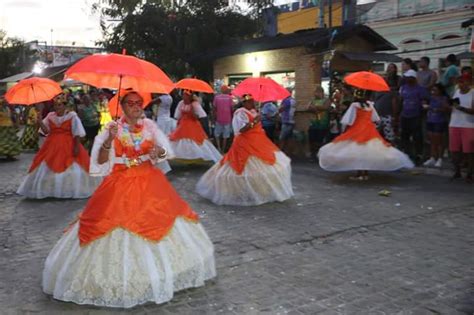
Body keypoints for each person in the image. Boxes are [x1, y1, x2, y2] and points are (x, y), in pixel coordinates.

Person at [42, 91, 216, 308]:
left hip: (149, 181)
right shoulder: (113, 128)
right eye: (130, 103)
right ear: (122, 106)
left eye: (138, 103)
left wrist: (157, 152)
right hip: (120, 180)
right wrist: (109, 140)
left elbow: (164, 155)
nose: (135, 107)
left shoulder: (150, 127)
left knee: (160, 218)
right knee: (110, 221)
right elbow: (101, 160)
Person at [196, 94, 294, 206]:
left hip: (258, 142)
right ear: (244, 103)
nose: (252, 103)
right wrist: (255, 121)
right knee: (242, 166)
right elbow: (241, 129)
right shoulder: (240, 113)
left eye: (253, 101)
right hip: (244, 144)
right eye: (250, 101)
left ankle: (257, 189)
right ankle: (242, 190)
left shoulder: (253, 111)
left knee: (265, 164)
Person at [318, 89, 414, 180]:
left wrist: (345, 130)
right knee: (366, 152)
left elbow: (349, 120)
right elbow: (375, 119)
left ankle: (360, 173)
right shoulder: (370, 105)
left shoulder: (355, 105)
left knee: (358, 152)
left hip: (357, 130)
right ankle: (365, 173)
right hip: (369, 130)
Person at [17, 94, 100, 199]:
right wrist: (40, 121)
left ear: (65, 106)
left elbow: (77, 132)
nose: (57, 108)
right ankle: (51, 189)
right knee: (46, 165)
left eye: (59, 105)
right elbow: (46, 131)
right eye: (55, 105)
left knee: (74, 166)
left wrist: (76, 147)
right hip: (51, 145)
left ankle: (69, 189)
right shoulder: (51, 116)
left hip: (68, 144)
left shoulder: (72, 116)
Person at [169, 90, 221, 163]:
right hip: (183, 124)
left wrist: (193, 111)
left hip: (193, 124)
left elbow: (200, 116)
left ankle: (196, 156)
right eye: (183, 95)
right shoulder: (181, 103)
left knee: (194, 140)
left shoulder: (195, 104)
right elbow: (177, 115)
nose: (184, 97)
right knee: (180, 139)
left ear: (190, 96)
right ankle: (184, 156)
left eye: (186, 95)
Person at [399, 69, 430, 164]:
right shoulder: (403, 87)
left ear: (413, 78)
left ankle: (418, 155)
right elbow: (400, 99)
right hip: (404, 114)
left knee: (417, 136)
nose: (407, 79)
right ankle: (407, 154)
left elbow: (425, 100)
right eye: (406, 77)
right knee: (404, 136)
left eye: (409, 78)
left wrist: (423, 106)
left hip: (416, 115)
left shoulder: (420, 89)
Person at [449, 74, 474, 182]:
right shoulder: (456, 91)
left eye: (463, 82)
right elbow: (451, 105)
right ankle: (457, 171)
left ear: (469, 82)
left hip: (468, 125)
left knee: (469, 151)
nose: (461, 84)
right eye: (459, 82)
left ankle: (469, 173)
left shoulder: (472, 94)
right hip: (454, 124)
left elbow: (473, 111)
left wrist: (460, 108)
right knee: (454, 150)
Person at [422, 84, 450, 168]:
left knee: (439, 141)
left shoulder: (443, 98)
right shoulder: (430, 98)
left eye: (435, 90)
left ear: (440, 91)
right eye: (432, 90)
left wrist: (434, 109)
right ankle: (433, 157)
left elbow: (445, 109)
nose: (433, 92)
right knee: (432, 140)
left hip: (439, 121)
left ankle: (440, 158)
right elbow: (425, 104)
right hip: (430, 120)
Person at [307, 86, 331, 161]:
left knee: (320, 140)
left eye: (316, 92)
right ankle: (313, 154)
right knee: (312, 140)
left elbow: (325, 107)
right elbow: (308, 108)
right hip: (313, 123)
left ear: (321, 92)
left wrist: (314, 107)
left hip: (322, 123)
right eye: (314, 92)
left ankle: (319, 154)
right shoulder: (312, 100)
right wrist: (315, 108)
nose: (314, 94)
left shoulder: (326, 100)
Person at [212, 85, 234, 153]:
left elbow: (214, 109)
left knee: (217, 134)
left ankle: (218, 147)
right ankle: (223, 149)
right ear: (226, 90)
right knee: (225, 135)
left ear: (221, 90)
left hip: (219, 119)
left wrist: (214, 118)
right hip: (227, 119)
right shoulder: (230, 98)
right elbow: (232, 109)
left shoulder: (216, 98)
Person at [279, 88, 296, 154]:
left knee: (282, 138)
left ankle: (280, 153)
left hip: (286, 121)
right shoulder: (293, 100)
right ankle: (288, 152)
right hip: (292, 121)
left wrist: (278, 110)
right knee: (289, 138)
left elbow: (281, 109)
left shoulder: (286, 100)